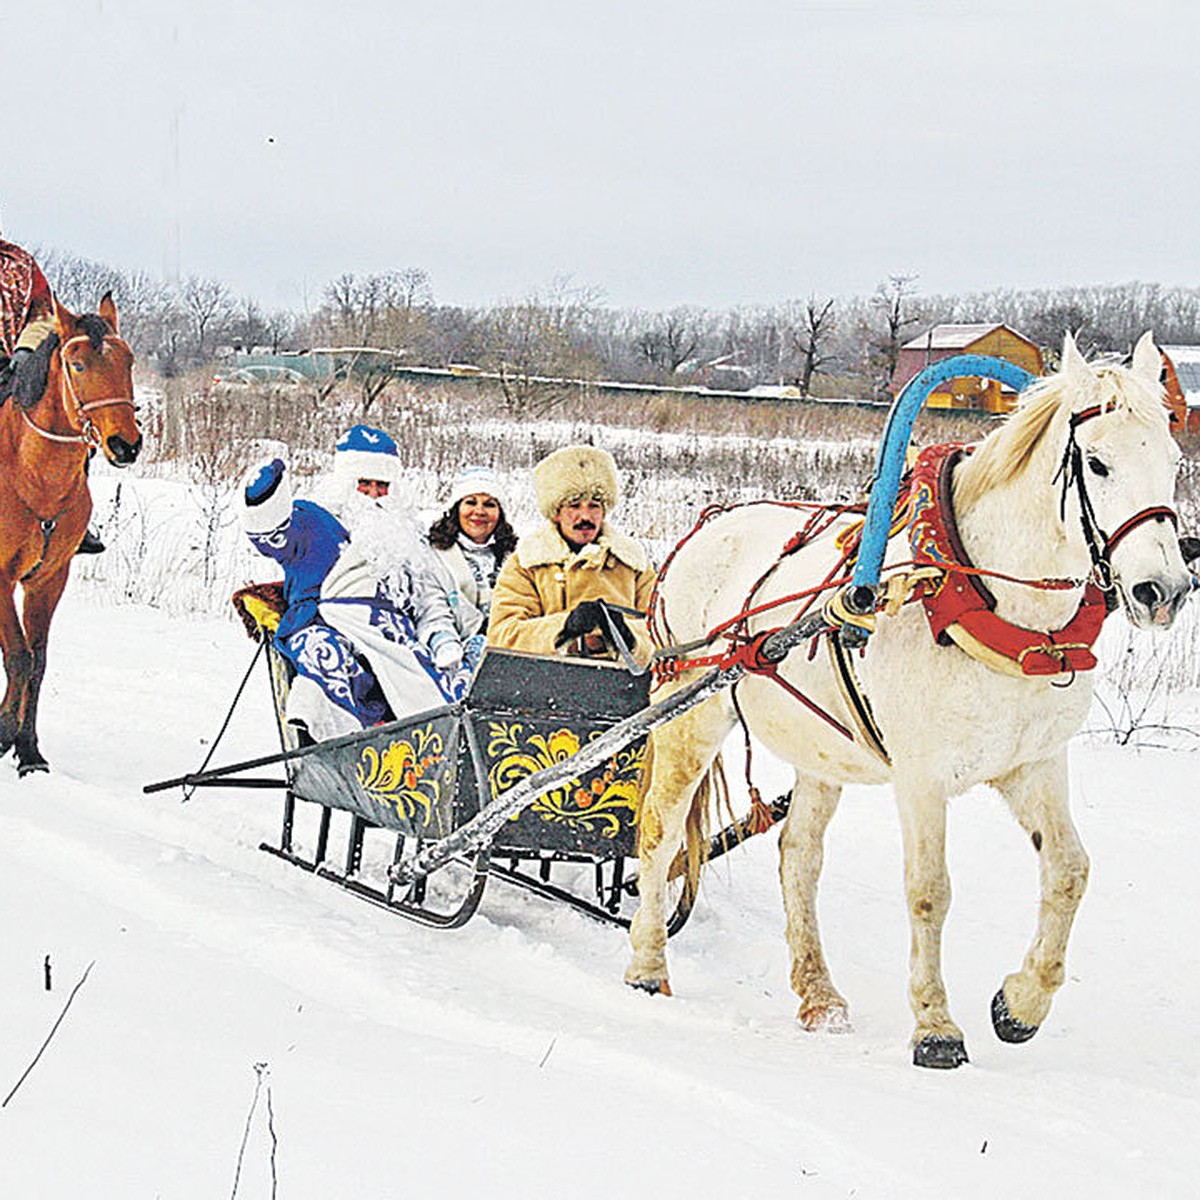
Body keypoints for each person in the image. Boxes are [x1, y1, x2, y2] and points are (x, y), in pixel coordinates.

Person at [239, 424, 471, 743]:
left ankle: (444, 747)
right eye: (364, 483)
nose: (374, 494)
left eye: (382, 485)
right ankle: (352, 743)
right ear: (344, 483)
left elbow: (428, 600)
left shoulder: (407, 538)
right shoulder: (312, 520)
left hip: (394, 637)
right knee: (322, 650)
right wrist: (263, 495)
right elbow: (272, 535)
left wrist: (442, 637)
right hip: (327, 623)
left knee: (450, 680)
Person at [487, 444, 656, 662]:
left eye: (594, 506)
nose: (585, 516)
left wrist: (626, 637)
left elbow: (664, 633)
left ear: (604, 511)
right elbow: (502, 635)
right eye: (574, 506)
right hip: (542, 684)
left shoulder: (633, 563)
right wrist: (565, 629)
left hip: (625, 685)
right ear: (556, 513)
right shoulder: (527, 563)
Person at [0, 229, 105, 553]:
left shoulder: (18, 264)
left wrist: (26, 349)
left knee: (66, 421)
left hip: (15, 358)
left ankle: (73, 519)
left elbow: (44, 313)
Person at [427, 465, 518, 637]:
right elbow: (431, 608)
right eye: (471, 502)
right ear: (456, 508)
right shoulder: (433, 554)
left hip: (509, 646)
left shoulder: (516, 556)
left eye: (489, 505)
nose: (479, 512)